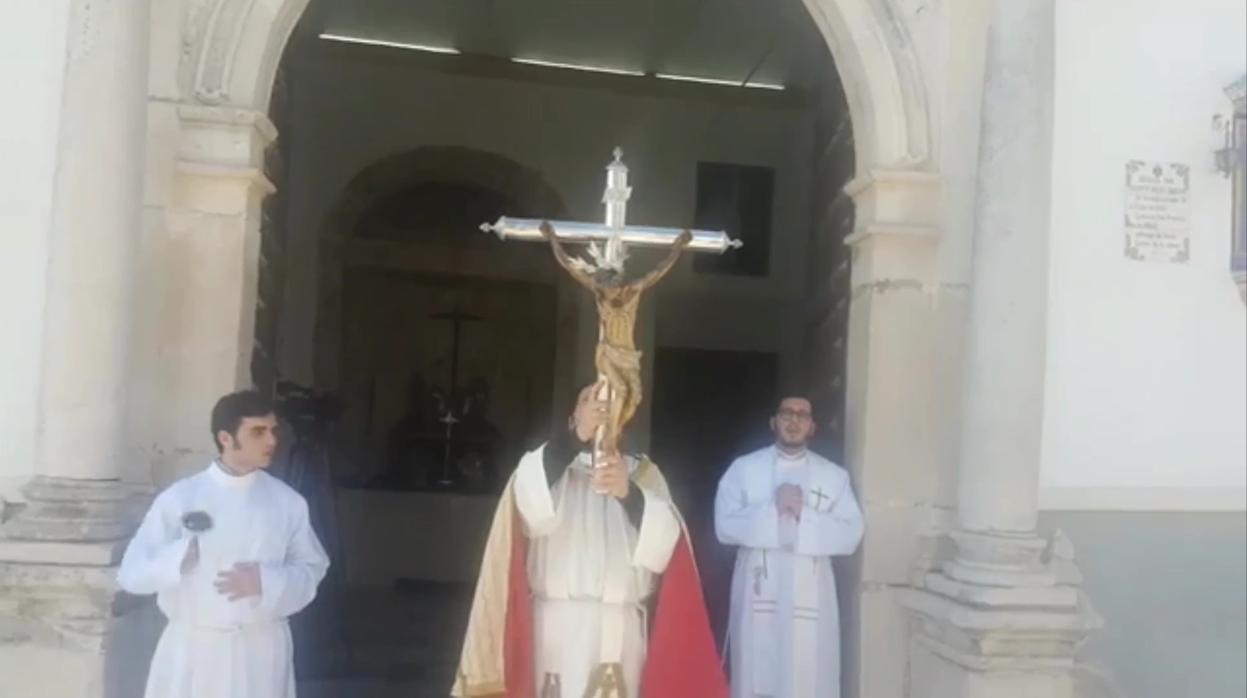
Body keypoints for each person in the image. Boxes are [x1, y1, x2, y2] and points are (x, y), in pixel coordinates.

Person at [453, 383, 727, 698]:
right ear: (574, 415)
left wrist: (630, 494)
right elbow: (528, 509)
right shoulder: (543, 466)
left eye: (609, 407)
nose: (600, 410)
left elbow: (666, 548)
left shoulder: (643, 474)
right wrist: (575, 438)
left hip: (619, 632)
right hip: (554, 628)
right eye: (589, 402)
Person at [117, 390, 329, 698]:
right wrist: (177, 559)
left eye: (273, 430)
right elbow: (131, 573)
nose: (271, 441)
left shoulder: (287, 502)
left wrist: (267, 581)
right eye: (258, 431)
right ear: (226, 438)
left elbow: (313, 567)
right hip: (195, 652)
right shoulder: (181, 498)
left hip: (260, 653)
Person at [715, 394, 864, 698]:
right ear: (774, 422)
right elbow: (724, 526)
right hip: (757, 594)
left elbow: (851, 534)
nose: (794, 420)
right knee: (756, 671)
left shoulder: (834, 477)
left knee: (808, 675)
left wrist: (802, 515)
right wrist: (773, 509)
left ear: (812, 427)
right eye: (786, 413)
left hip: (811, 596)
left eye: (802, 415)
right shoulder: (743, 469)